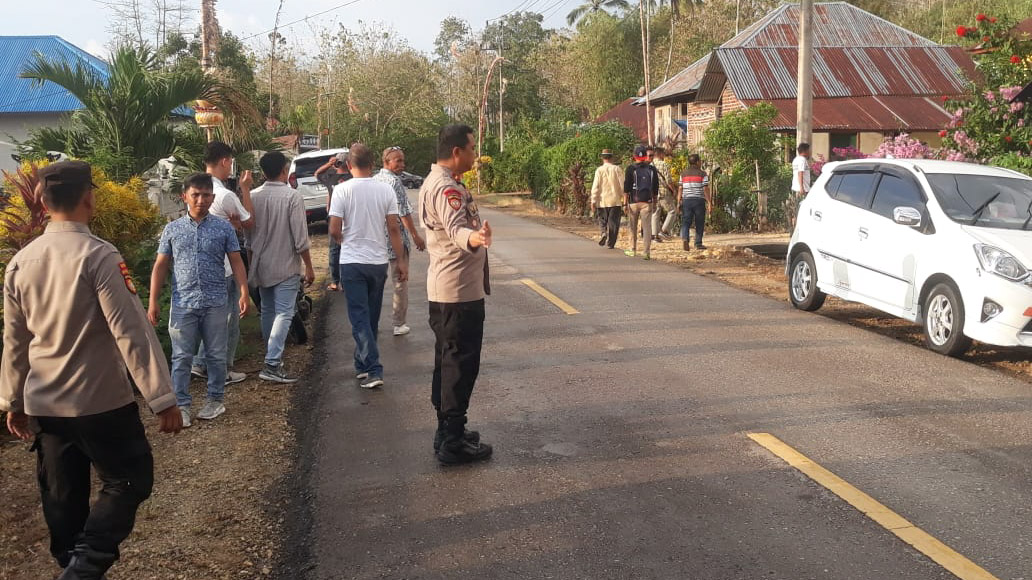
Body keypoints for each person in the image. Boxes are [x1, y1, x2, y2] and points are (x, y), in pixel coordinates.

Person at [1, 160, 182, 579]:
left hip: (46, 405)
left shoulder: (21, 262)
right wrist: (161, 397)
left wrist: (12, 400)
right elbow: (130, 331)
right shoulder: (98, 255)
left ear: (43, 202)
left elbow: (15, 341)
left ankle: (71, 564)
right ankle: (87, 563)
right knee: (130, 479)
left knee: (63, 499)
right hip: (100, 401)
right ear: (88, 196)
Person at [149, 173, 250, 427]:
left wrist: (244, 291)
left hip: (216, 302)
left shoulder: (223, 228)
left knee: (216, 355)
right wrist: (153, 301)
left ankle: (215, 400)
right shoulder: (172, 229)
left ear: (212, 198)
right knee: (181, 356)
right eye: (195, 195)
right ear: (184, 196)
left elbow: (236, 261)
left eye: (206, 195)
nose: (201, 200)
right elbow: (160, 266)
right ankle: (182, 405)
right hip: (183, 303)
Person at [421, 124, 494, 465]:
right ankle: (452, 441)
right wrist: (475, 238)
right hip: (457, 293)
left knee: (449, 362)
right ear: (456, 152)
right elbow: (456, 229)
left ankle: (448, 430)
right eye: (471, 148)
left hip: (452, 290)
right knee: (459, 366)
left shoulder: (444, 182)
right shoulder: (445, 187)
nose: (475, 155)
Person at [328, 143, 407, 389]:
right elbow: (394, 228)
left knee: (359, 317)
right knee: (370, 317)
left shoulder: (341, 190)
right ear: (372, 164)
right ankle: (362, 364)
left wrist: (343, 240)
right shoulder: (385, 190)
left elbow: (334, 229)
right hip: (378, 262)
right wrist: (401, 261)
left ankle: (373, 369)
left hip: (352, 262)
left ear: (348, 165)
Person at [248, 152, 316, 384]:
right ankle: (272, 363)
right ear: (284, 171)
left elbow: (248, 235)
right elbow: (300, 238)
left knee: (267, 310)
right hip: (286, 264)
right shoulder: (292, 196)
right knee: (285, 312)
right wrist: (309, 266)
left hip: (261, 264)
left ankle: (271, 357)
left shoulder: (252, 196)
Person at [192, 141, 253, 385]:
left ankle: (200, 362)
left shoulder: (194, 190)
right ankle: (222, 370)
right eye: (230, 163)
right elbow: (249, 222)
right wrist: (245, 189)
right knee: (228, 320)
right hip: (225, 264)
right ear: (225, 161)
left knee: (209, 318)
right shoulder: (224, 195)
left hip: (201, 263)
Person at [375, 146, 427, 337]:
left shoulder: (374, 180)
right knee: (400, 281)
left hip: (377, 240)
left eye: (403, 161)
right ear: (386, 162)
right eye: (398, 161)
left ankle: (373, 322)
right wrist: (415, 236)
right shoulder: (394, 182)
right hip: (395, 239)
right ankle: (399, 323)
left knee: (377, 284)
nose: (402, 164)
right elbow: (403, 212)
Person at [314, 152, 351, 291]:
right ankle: (345, 281)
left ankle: (335, 281)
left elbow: (317, 174)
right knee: (347, 247)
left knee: (334, 249)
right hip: (349, 217)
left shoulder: (331, 177)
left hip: (335, 217)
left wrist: (329, 164)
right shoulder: (352, 177)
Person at [623, 144, 660, 260]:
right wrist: (654, 201)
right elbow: (655, 187)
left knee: (632, 226)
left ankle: (632, 249)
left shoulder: (630, 168)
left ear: (634, 156)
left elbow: (626, 187)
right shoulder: (652, 169)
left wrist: (624, 203)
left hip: (633, 201)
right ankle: (646, 252)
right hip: (647, 202)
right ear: (645, 156)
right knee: (647, 227)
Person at [590, 148, 624, 249]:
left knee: (602, 220)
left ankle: (603, 232)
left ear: (602, 158)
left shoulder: (599, 170)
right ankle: (611, 243)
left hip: (602, 201)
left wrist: (593, 200)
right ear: (612, 157)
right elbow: (623, 185)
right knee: (614, 223)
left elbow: (595, 186)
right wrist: (624, 197)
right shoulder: (617, 169)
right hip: (615, 201)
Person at [680, 153, 710, 251]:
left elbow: (680, 188)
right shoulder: (702, 174)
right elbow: (705, 188)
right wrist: (709, 201)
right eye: (700, 161)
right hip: (698, 200)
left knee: (686, 221)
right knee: (699, 222)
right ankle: (698, 243)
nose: (700, 162)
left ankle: (685, 238)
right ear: (697, 162)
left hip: (686, 200)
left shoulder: (683, 174)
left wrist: (678, 200)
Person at [651, 147, 678, 242]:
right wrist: (674, 190)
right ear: (660, 154)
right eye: (663, 154)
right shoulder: (664, 164)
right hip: (664, 192)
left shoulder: (650, 165)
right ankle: (664, 231)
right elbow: (668, 180)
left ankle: (655, 236)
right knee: (672, 211)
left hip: (653, 193)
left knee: (655, 213)